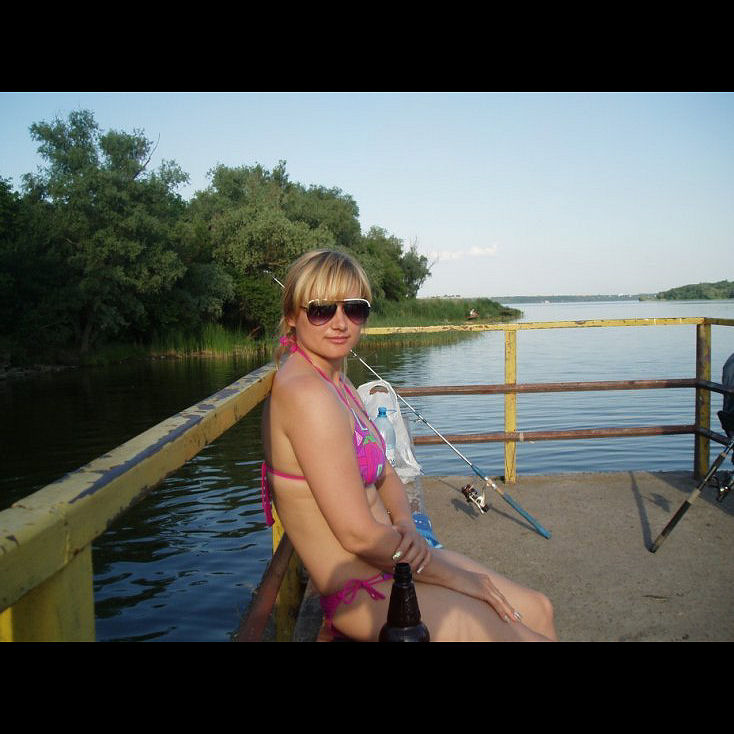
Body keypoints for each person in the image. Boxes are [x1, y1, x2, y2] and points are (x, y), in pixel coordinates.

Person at [261, 249, 557, 642]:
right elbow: (357, 536)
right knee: (516, 632)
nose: (340, 322)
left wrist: (404, 523)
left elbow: (384, 473)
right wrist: (459, 579)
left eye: (354, 309)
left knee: (538, 608)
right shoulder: (307, 395)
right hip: (362, 592)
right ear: (292, 315)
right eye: (321, 310)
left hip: (393, 563)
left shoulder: (337, 381)